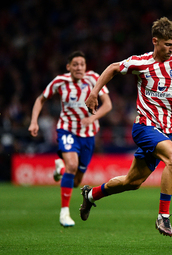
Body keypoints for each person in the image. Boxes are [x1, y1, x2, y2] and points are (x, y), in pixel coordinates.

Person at [79, 17, 172, 237]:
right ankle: (163, 217)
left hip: (164, 131)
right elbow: (113, 68)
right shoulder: (141, 62)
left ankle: (90, 196)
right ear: (155, 41)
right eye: (167, 44)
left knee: (132, 182)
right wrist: (94, 92)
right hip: (144, 127)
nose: (171, 49)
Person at [28, 51, 112, 227]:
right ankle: (64, 213)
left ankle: (60, 168)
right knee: (72, 166)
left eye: (82, 64)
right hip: (67, 130)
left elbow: (108, 105)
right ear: (69, 67)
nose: (79, 67)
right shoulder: (60, 81)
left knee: (76, 181)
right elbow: (40, 99)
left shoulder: (94, 79)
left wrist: (92, 119)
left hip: (88, 134)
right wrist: (34, 121)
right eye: (75, 64)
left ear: (85, 66)